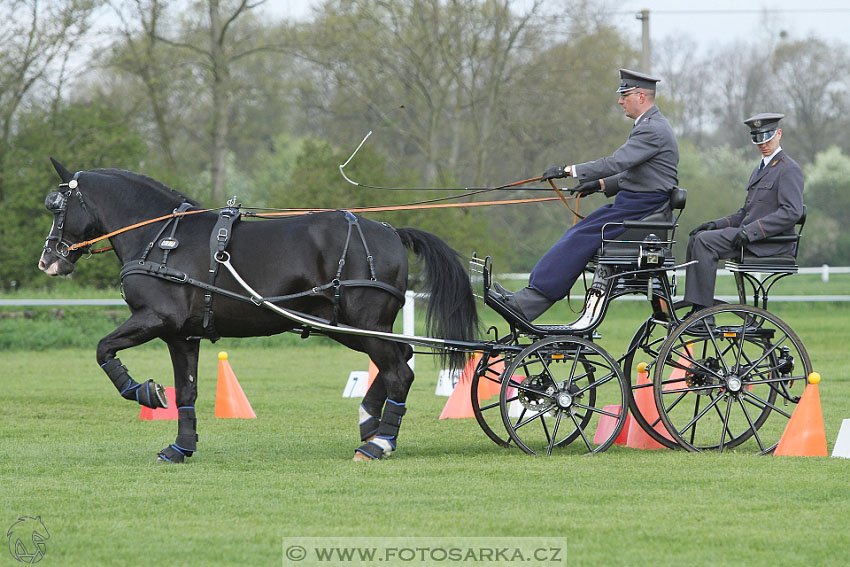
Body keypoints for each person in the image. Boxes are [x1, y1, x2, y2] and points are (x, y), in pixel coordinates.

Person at [490, 68, 679, 321]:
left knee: (578, 237)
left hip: (641, 208)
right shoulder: (650, 125)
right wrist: (599, 184)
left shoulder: (651, 129)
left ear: (641, 97)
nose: (620, 101)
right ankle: (527, 299)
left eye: (625, 95)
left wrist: (569, 170)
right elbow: (641, 173)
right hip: (636, 204)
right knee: (577, 234)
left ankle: (527, 304)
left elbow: (616, 163)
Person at [683, 113, 804, 314]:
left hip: (768, 242)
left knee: (705, 242)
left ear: (779, 134)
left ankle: (704, 313)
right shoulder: (759, 169)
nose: (763, 144)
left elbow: (792, 212)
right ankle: (696, 305)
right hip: (750, 237)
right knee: (697, 237)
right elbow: (745, 213)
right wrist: (715, 224)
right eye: (758, 139)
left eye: (767, 138)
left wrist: (751, 231)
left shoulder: (788, 169)